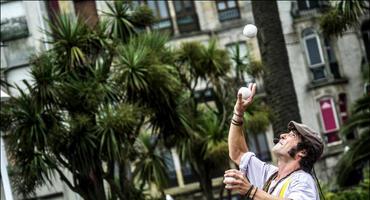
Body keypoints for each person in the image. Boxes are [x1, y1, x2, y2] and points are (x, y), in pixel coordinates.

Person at [224, 83, 324, 200]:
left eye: (292, 135)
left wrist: (251, 190)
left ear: (303, 152)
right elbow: (238, 153)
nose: (282, 135)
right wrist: (238, 113)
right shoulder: (269, 175)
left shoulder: (303, 180)